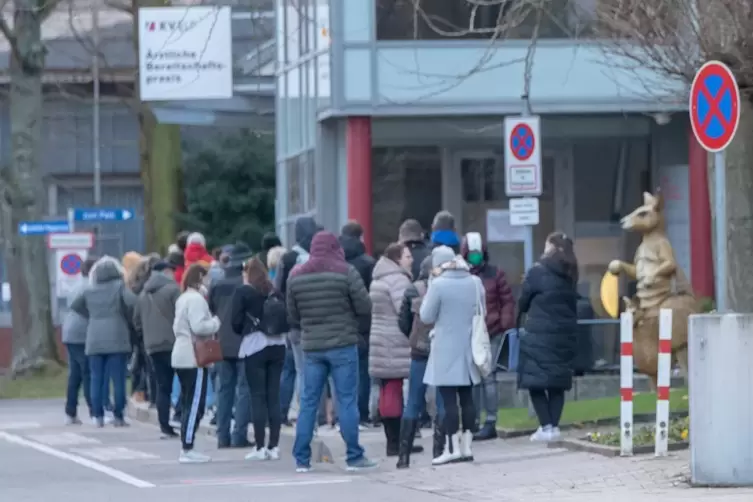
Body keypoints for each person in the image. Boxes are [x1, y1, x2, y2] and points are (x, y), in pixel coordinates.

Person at [286, 231, 377, 472]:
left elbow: (293, 314)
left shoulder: (295, 276)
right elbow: (365, 306)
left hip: (312, 347)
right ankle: (354, 457)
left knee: (308, 402)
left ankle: (302, 460)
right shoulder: (346, 272)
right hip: (343, 344)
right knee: (346, 401)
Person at [420, 246, 481, 465]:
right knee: (467, 398)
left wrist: (430, 285)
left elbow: (426, 316)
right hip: (469, 347)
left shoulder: (438, 285)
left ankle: (452, 448)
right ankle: (467, 447)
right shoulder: (475, 282)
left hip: (445, 349)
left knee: (448, 401)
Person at [517, 231, 579, 442]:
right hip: (564, 335)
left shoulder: (537, 272)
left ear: (551, 248)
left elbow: (523, 302)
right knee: (556, 383)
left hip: (539, 335)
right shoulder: (570, 273)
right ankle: (553, 427)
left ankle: (546, 426)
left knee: (535, 382)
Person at [461, 232, 515, 440]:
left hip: (490, 331)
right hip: (470, 331)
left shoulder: (495, 273)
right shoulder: (462, 273)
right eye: (472, 253)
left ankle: (490, 421)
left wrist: (503, 323)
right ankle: (472, 420)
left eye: (478, 253)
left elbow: (507, 300)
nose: (476, 257)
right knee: (473, 378)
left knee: (488, 377)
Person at [70, 256, 137, 428]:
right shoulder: (119, 287)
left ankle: (97, 415)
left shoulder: (90, 289)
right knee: (118, 378)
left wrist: (92, 314)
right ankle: (119, 415)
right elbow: (132, 302)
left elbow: (76, 305)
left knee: (96, 378)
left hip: (94, 337)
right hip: (117, 336)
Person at [368, 242, 421, 458]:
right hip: (395, 342)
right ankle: (397, 443)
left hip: (380, 340)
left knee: (387, 389)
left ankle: (394, 441)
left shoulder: (378, 278)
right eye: (407, 256)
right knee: (393, 390)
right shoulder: (398, 280)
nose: (411, 259)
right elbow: (405, 310)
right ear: (397, 259)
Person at [232, 257, 287, 461]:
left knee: (257, 396)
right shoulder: (274, 290)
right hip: (278, 344)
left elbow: (234, 322)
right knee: (274, 395)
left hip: (255, 345)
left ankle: (259, 446)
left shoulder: (244, 292)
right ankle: (274, 446)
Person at [397, 256, 446, 467]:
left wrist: (414, 338)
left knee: (413, 402)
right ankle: (439, 451)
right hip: (443, 349)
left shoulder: (412, 290)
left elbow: (403, 321)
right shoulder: (447, 288)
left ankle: (403, 457)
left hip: (419, 351)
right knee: (443, 400)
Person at [172, 264, 221, 463]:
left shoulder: (183, 298)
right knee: (194, 404)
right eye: (206, 278)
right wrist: (216, 323)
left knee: (187, 401)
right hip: (194, 357)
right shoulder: (197, 300)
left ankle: (187, 443)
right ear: (200, 278)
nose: (208, 283)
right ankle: (188, 447)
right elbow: (199, 326)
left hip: (181, 354)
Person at [207, 242, 255, 449]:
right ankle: (239, 434)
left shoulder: (217, 284)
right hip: (245, 340)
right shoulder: (247, 285)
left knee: (224, 390)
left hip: (223, 341)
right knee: (244, 389)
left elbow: (212, 310)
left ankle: (222, 436)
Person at [275, 217, 320, 414]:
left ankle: (301, 411)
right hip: (317, 320)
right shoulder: (320, 257)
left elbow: (277, 290)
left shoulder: (287, 259)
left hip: (294, 322)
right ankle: (318, 412)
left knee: (298, 369)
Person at [133, 257, 181, 438]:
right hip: (173, 343)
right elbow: (181, 314)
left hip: (152, 346)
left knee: (163, 386)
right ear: (166, 272)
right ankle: (181, 415)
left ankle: (164, 425)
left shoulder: (143, 294)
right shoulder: (173, 290)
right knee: (184, 381)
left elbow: (136, 322)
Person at [339, 220, 376, 425]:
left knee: (341, 372)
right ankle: (361, 414)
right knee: (363, 371)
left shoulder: (336, 263)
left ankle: (341, 414)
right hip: (363, 325)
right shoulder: (368, 263)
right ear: (360, 237)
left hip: (340, 323)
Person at [62, 255, 98, 425]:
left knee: (75, 374)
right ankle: (94, 411)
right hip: (81, 333)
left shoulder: (76, 285)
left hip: (69, 332)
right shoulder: (90, 287)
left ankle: (70, 411)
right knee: (87, 372)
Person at [127, 254, 160, 405]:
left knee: (141, 363)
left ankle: (140, 391)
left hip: (140, 330)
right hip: (151, 330)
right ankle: (149, 394)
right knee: (150, 366)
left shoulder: (135, 286)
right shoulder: (151, 287)